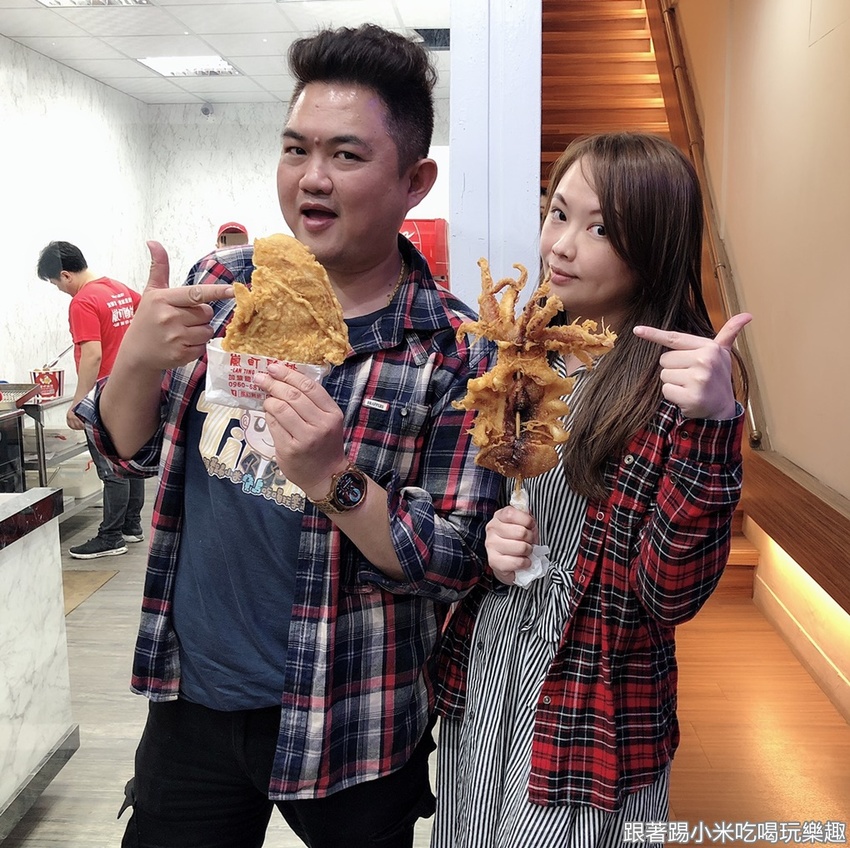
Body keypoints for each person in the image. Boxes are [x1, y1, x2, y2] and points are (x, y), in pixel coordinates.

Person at [77, 23, 502, 848]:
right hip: (193, 698)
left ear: (414, 180)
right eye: (295, 148)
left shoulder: (455, 350)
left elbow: (458, 557)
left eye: (347, 154)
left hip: (354, 717)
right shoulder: (221, 289)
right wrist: (135, 364)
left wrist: (336, 479)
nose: (312, 177)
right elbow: (120, 452)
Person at [432, 132, 751, 848]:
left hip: (589, 690)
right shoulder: (525, 352)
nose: (562, 245)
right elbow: (494, 498)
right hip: (493, 663)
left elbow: (670, 594)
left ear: (654, 247)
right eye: (557, 213)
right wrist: (494, 542)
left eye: (600, 228)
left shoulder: (678, 383)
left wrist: (714, 423)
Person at [36, 241, 145, 559]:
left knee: (111, 468)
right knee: (129, 461)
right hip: (131, 389)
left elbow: (93, 355)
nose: (59, 289)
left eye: (56, 283)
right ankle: (131, 526)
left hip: (104, 396)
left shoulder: (83, 301)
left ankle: (111, 537)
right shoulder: (118, 289)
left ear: (65, 275)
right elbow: (144, 318)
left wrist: (78, 403)